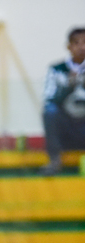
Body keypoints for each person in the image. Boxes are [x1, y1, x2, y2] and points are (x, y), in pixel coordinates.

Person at [41, 27, 85, 176]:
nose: (82, 47)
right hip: (66, 126)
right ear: (69, 46)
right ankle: (54, 160)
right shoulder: (56, 69)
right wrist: (68, 86)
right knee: (50, 111)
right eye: (77, 43)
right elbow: (48, 98)